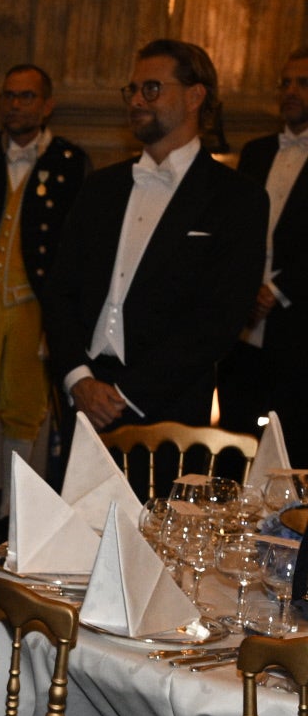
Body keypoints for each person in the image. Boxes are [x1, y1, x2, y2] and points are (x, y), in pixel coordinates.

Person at [44, 39, 267, 430]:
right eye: (132, 90)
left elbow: (218, 320)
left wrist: (126, 395)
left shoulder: (237, 199)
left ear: (196, 95)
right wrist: (78, 379)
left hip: (167, 411)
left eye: (152, 89)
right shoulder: (100, 187)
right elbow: (60, 289)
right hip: (84, 399)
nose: (136, 101)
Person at [0, 64, 88, 516]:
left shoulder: (71, 163)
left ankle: (16, 515)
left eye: (27, 97)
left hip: (35, 302)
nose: (15, 105)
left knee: (24, 409)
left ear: (47, 105)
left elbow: (75, 247)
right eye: (9, 96)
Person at [221, 45, 308, 439]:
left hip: (296, 323)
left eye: (303, 83)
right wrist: (244, 287)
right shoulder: (256, 151)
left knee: (290, 436)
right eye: (286, 83)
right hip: (244, 317)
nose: (291, 91)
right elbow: (235, 229)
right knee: (237, 429)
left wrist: (276, 289)